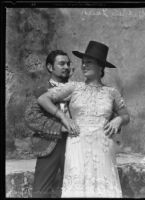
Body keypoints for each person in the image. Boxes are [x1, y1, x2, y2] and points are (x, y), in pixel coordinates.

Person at [37, 41, 130, 197]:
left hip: (103, 147)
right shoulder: (74, 87)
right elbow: (43, 99)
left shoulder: (111, 92)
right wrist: (63, 117)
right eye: (83, 63)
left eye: (89, 63)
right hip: (77, 144)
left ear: (100, 67)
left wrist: (119, 120)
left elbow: (126, 116)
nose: (83, 66)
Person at [25, 50, 77, 198]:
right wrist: (59, 128)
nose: (66, 67)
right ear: (50, 67)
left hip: (75, 143)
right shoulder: (39, 90)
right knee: (41, 192)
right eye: (61, 64)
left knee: (74, 188)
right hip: (48, 143)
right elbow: (31, 117)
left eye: (68, 64)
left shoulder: (76, 89)